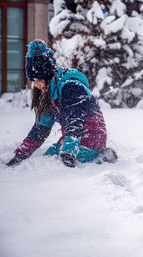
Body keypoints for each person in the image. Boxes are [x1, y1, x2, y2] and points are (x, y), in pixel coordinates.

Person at [7, 40, 117, 168]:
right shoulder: (49, 95)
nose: (38, 87)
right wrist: (21, 155)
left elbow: (75, 121)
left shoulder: (71, 87)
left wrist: (68, 152)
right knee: (48, 156)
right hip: (70, 140)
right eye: (34, 83)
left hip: (91, 137)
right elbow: (40, 130)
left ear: (46, 77)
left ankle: (102, 158)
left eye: (38, 81)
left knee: (59, 163)